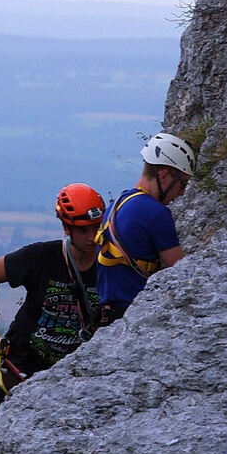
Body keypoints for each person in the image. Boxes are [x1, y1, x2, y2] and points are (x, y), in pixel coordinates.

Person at [0, 183, 105, 417]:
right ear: (67, 228)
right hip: (22, 363)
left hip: (71, 371)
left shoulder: (110, 263)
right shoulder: (41, 257)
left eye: (96, 227)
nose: (92, 236)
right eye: (84, 230)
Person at [96, 132, 196, 323]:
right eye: (182, 183)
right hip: (134, 315)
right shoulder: (155, 213)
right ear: (164, 175)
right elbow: (183, 275)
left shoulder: (117, 203)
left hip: (107, 315)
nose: (182, 193)